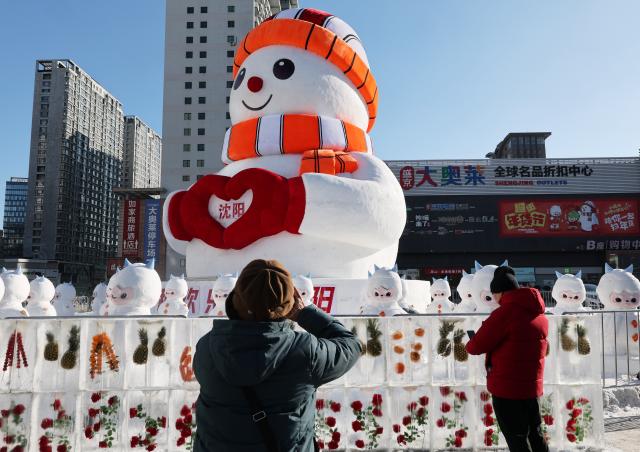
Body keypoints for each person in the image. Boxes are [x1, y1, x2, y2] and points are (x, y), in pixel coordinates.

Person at [193, 259, 361, 452]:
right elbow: (351, 345)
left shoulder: (208, 347)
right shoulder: (306, 352)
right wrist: (304, 313)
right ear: (288, 305)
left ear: (234, 300)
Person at [466, 266, 549, 452]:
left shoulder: (505, 314)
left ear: (500, 293)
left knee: (517, 438)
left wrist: (474, 340)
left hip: (507, 390)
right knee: (536, 434)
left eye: (494, 294)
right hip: (532, 387)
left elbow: (475, 346)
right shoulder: (539, 313)